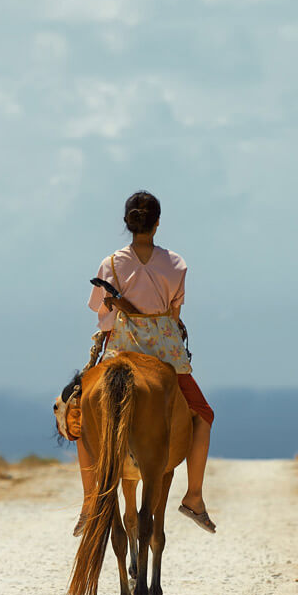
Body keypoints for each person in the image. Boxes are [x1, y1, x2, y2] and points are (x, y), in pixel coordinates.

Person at [71, 190, 216, 536]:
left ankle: (90, 501)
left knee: (80, 416)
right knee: (203, 415)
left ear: (127, 223)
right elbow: (175, 312)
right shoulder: (177, 264)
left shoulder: (109, 263)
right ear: (158, 223)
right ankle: (194, 496)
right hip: (166, 356)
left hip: (120, 352)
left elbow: (99, 311)